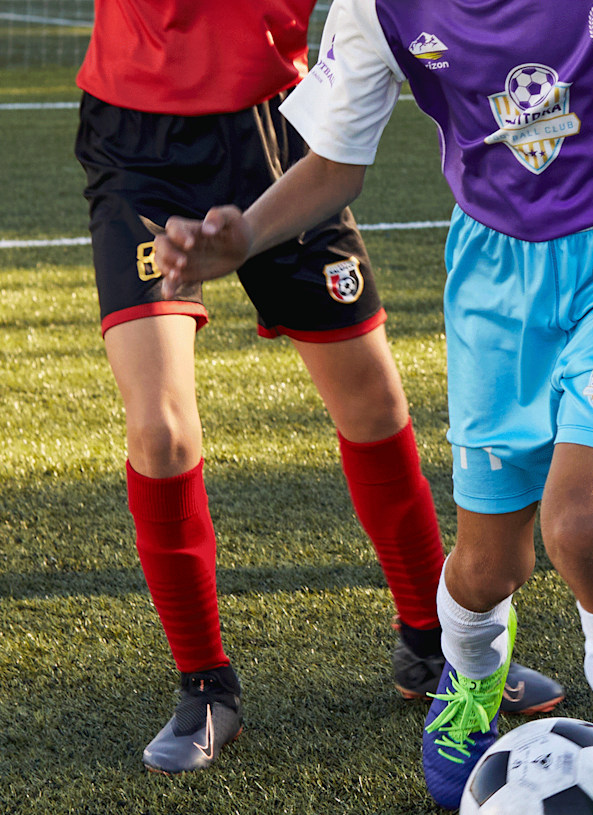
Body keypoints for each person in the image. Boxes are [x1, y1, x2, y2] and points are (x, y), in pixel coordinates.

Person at [152, 1, 593, 811]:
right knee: (489, 568)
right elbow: (337, 162)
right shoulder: (381, 8)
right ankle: (473, 679)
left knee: (583, 527)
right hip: (493, 278)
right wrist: (244, 237)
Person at [73, 0, 563, 777]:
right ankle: (205, 684)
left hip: (281, 129)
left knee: (374, 403)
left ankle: (428, 645)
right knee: (161, 432)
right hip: (141, 145)